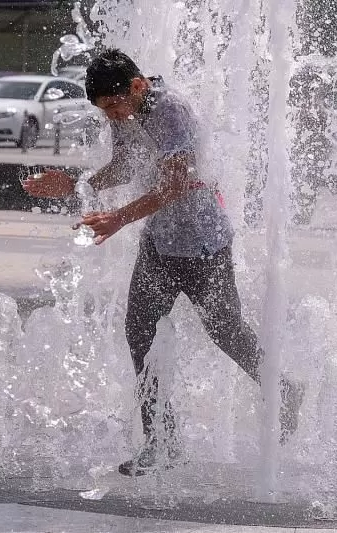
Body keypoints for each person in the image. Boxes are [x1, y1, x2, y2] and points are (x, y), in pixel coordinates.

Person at [22, 49, 302, 476]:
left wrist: (118, 217)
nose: (113, 117)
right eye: (104, 111)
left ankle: (282, 391)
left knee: (226, 331)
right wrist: (77, 184)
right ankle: (162, 441)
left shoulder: (172, 111)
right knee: (140, 333)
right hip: (160, 241)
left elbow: (174, 183)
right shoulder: (127, 113)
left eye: (115, 106)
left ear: (136, 86)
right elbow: (125, 165)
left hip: (202, 244)